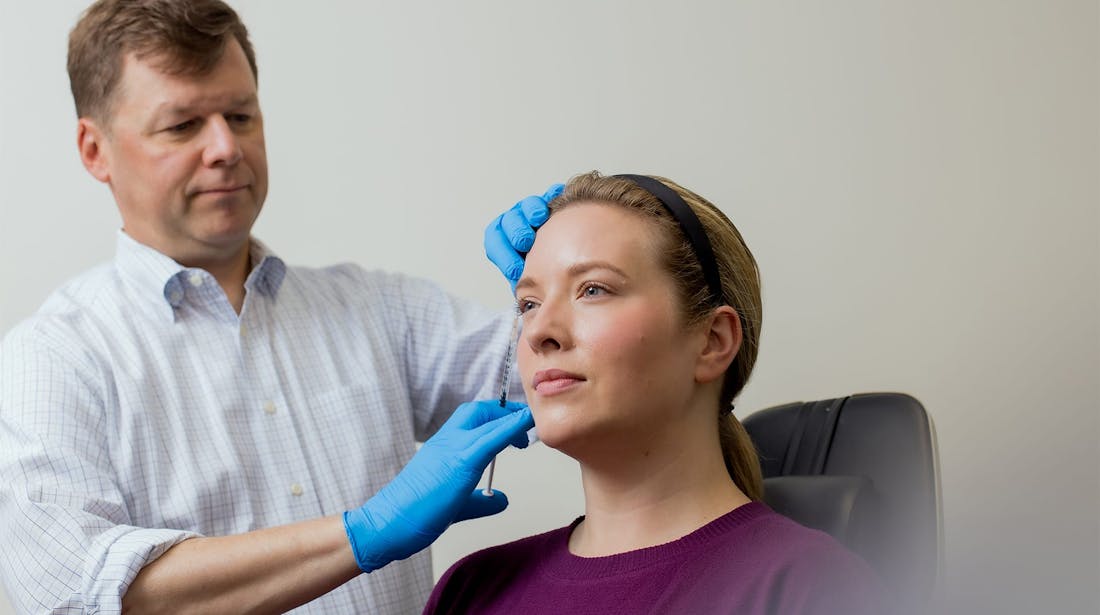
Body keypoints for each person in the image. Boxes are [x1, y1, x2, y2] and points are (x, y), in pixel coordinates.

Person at [0, 1, 541, 613]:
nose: (226, 147)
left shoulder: (378, 310)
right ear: (94, 149)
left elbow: (570, 375)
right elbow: (72, 594)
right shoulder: (50, 362)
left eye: (240, 114)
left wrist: (565, 275)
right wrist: (362, 533)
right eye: (182, 125)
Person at [425, 172, 892, 614]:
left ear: (712, 341)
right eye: (528, 303)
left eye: (592, 289)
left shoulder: (810, 586)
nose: (538, 331)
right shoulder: (472, 588)